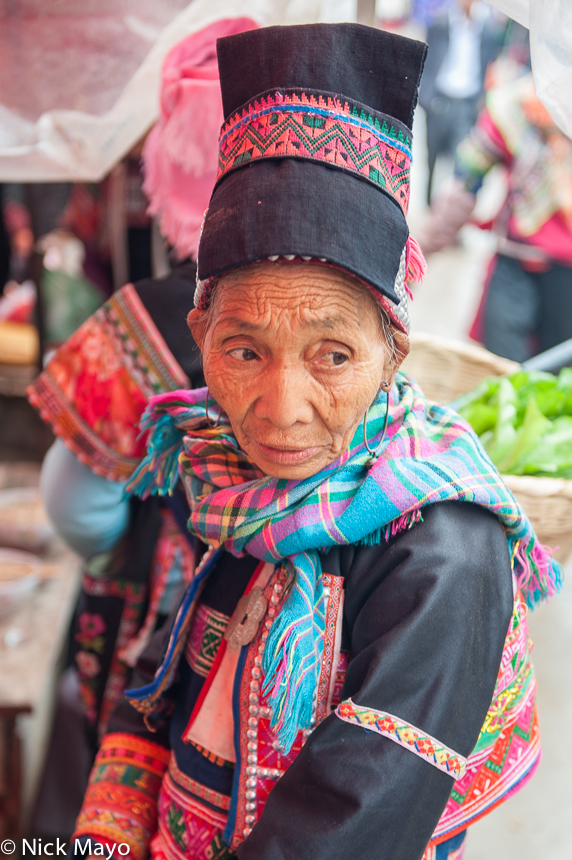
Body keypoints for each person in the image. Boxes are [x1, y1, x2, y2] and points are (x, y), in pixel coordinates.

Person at [68, 23, 560, 860]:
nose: (281, 408)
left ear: (393, 350)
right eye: (244, 351)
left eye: (332, 354)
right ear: (201, 333)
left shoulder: (447, 553)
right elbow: (159, 683)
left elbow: (347, 826)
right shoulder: (231, 483)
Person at [27, 17, 257, 748]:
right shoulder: (353, 311)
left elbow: (76, 506)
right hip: (306, 643)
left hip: (172, 625)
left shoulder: (152, 318)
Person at [418, 73, 572, 362]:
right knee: (501, 372)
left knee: (558, 377)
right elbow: (466, 181)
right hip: (514, 265)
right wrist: (419, 251)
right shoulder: (515, 106)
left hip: (567, 276)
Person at [419, 0, 505, 203]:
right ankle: (429, 206)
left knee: (461, 163)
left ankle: (449, 211)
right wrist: (427, 99)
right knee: (431, 158)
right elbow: (427, 60)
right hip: (440, 100)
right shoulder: (441, 23)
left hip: (467, 104)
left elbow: (492, 61)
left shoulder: (487, 27)